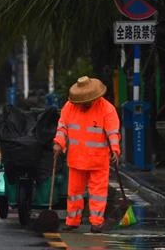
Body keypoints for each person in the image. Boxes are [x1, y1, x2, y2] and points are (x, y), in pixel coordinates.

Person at [53, 76, 121, 233]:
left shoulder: (107, 109)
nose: (83, 105)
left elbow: (113, 133)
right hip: (76, 159)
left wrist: (115, 150)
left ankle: (97, 222)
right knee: (74, 193)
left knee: (98, 193)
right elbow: (63, 128)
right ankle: (72, 221)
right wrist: (58, 143)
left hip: (98, 160)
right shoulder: (69, 107)